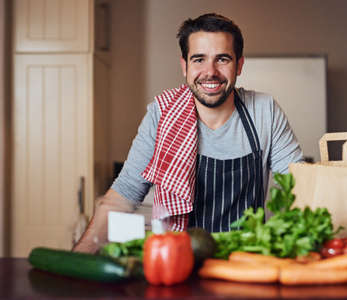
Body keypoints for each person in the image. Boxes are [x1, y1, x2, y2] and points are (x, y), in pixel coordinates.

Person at [73, 13, 303, 253]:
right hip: (178, 261)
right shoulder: (162, 114)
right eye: (199, 59)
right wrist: (80, 257)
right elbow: (123, 195)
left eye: (222, 59)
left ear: (240, 65)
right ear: (185, 66)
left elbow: (299, 186)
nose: (210, 71)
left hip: (245, 261)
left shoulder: (264, 111)